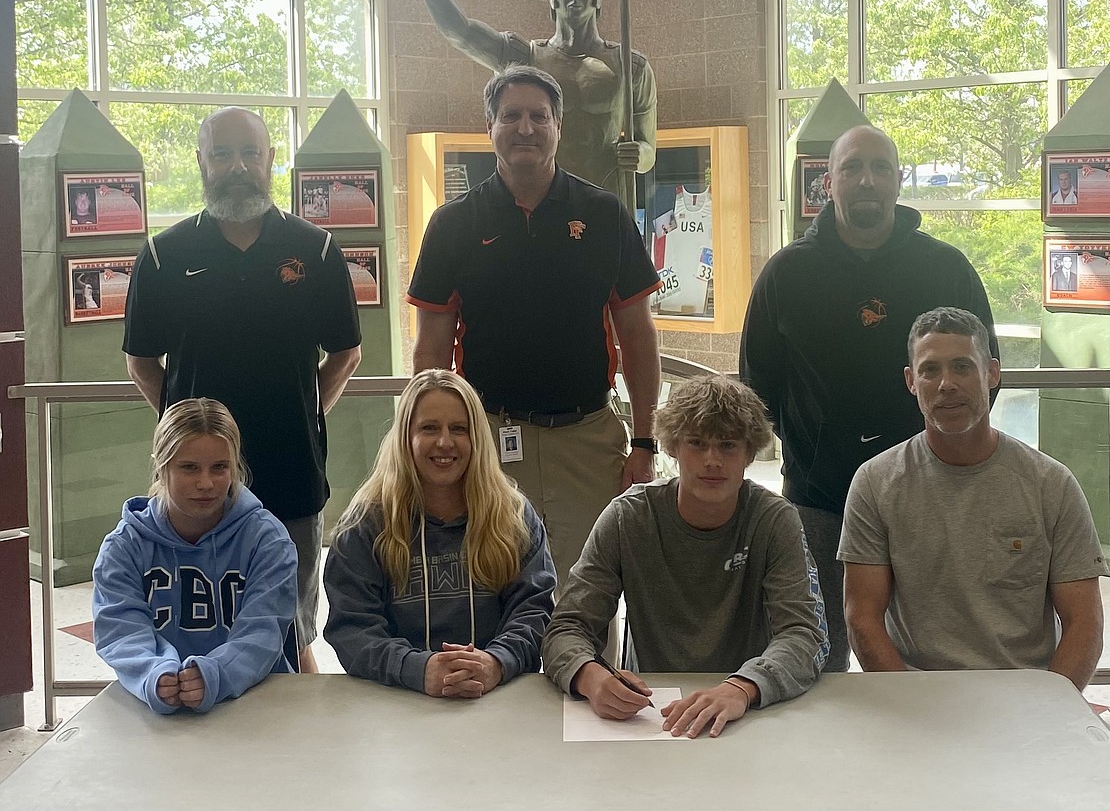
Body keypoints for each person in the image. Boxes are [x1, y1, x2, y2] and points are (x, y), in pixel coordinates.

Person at [408, 65, 661, 636]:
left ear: (558, 126)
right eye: (512, 116)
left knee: (587, 602)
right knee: (492, 593)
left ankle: (589, 708)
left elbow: (639, 337)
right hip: (490, 443)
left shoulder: (602, 215)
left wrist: (645, 440)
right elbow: (431, 350)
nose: (526, 128)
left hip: (587, 442)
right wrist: (429, 441)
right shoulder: (452, 224)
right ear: (490, 127)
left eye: (538, 116)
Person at [739, 124, 998, 674]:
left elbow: (983, 378)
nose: (866, 181)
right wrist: (812, 445)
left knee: (933, 652)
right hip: (818, 500)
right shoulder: (787, 273)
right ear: (827, 182)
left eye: (880, 168)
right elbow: (756, 390)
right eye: (852, 168)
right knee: (814, 655)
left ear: (898, 180)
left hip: (931, 501)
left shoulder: (945, 268)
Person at [122, 107, 363, 673]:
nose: (238, 166)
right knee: (197, 625)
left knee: (292, 633)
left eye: (250, 153)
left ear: (271, 159)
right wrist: (191, 436)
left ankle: (297, 754)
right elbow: (140, 361)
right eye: (223, 153)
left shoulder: (319, 252)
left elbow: (346, 354)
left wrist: (305, 412)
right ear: (201, 162)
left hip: (291, 471)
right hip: (196, 482)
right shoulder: (163, 256)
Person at [542, 375, 828, 739]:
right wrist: (589, 675)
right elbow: (566, 627)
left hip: (745, 713)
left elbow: (806, 634)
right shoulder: (627, 517)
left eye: (727, 446)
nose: (712, 461)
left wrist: (743, 687)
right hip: (651, 716)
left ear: (750, 454)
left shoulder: (773, 520)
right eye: (697, 444)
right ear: (673, 447)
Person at [838, 307, 1106, 690]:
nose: (946, 383)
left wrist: (1051, 710)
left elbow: (1085, 622)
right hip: (917, 697)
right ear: (911, 381)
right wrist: (908, 705)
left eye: (962, 366)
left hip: (1024, 698)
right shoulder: (876, 483)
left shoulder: (1051, 484)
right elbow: (861, 617)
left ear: (992, 373)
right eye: (931, 370)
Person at [323, 369, 556, 697]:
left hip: (498, 695)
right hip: (397, 698)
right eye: (429, 428)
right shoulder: (365, 525)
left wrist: (495, 663)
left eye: (458, 429)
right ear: (406, 437)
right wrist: (417, 669)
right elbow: (352, 629)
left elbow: (535, 611)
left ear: (477, 437)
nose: (445, 442)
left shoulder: (515, 517)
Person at [92, 398, 298, 714]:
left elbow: (264, 631)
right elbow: (120, 626)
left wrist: (216, 673)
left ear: (234, 468)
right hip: (157, 710)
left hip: (257, 703)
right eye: (189, 468)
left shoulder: (266, 539)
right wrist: (152, 673)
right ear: (161, 467)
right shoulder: (124, 545)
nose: (206, 483)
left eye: (219, 468)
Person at [399, 0, 656, 196]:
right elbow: (462, 32)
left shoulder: (630, 67)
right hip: (542, 196)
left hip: (607, 196)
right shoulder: (526, 57)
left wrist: (639, 155)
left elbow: (648, 149)